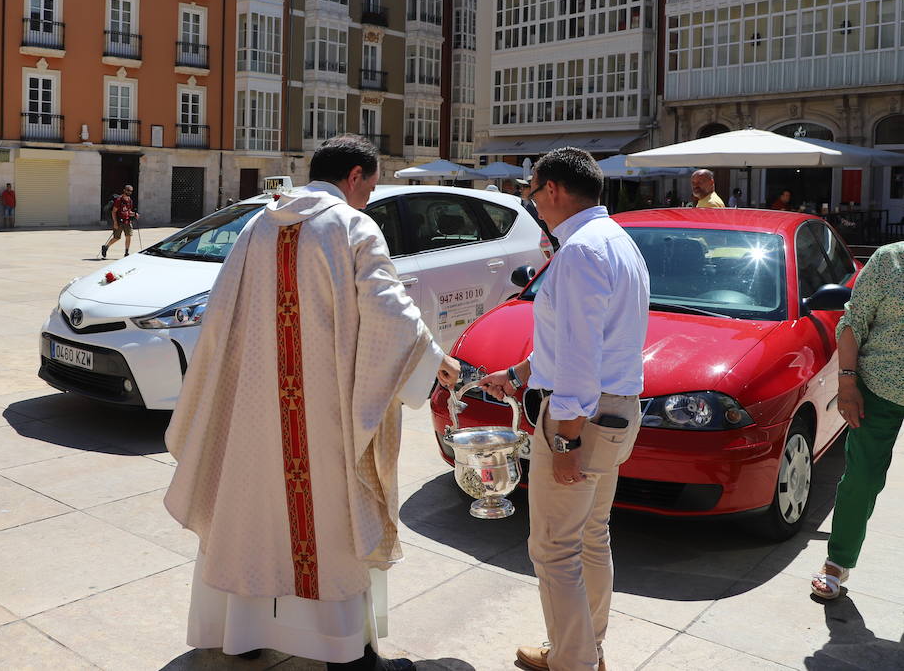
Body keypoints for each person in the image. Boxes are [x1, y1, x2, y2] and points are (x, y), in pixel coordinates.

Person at [165, 134, 459, 671]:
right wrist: (433, 356)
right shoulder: (351, 225)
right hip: (321, 413)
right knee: (325, 521)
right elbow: (389, 311)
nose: (368, 197)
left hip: (254, 408)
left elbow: (222, 313)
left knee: (251, 516)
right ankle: (341, 650)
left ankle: (243, 633)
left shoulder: (258, 225)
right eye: (369, 186)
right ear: (354, 176)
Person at [480, 147, 650, 671]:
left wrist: (566, 440)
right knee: (590, 537)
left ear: (551, 189)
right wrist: (518, 375)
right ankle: (585, 649)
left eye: (531, 192)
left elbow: (580, 357)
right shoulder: (617, 241)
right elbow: (581, 341)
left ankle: (574, 661)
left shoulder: (579, 252)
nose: (532, 203)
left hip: (584, 418)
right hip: (617, 412)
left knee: (554, 549)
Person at [810, 241, 904, 600]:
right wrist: (846, 383)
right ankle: (838, 561)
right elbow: (852, 322)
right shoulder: (889, 260)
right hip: (878, 390)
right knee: (861, 479)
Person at [519, 179, 560, 250]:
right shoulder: (524, 202)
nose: (521, 190)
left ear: (532, 188)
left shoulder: (545, 202)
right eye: (521, 187)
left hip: (548, 243)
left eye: (525, 187)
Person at [101, 184, 138, 258]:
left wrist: (134, 214)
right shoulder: (119, 200)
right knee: (117, 237)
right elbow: (114, 212)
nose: (129, 192)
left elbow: (128, 211)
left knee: (128, 236)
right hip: (119, 222)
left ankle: (126, 253)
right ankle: (106, 247)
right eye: (128, 190)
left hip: (127, 221)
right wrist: (115, 223)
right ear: (124, 190)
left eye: (130, 191)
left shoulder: (130, 200)